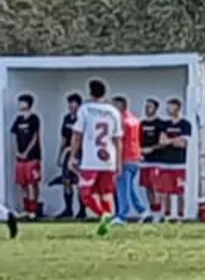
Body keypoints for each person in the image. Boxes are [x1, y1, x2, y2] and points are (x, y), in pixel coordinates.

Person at [71, 78, 123, 236]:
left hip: (91, 160)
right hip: (109, 159)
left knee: (86, 192)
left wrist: (72, 156)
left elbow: (77, 135)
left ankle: (103, 215)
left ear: (90, 92)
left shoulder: (85, 109)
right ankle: (106, 224)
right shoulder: (114, 111)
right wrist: (119, 162)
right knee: (106, 193)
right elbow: (118, 139)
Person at [112, 95, 146, 224]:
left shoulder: (122, 122)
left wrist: (117, 161)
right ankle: (142, 210)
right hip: (135, 157)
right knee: (131, 187)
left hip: (125, 157)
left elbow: (119, 141)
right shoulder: (135, 120)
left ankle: (123, 215)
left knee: (123, 189)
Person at [156, 98, 192, 220]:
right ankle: (167, 215)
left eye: (171, 106)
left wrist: (169, 141)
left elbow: (183, 144)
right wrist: (175, 140)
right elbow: (162, 142)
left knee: (180, 191)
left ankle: (180, 215)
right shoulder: (165, 124)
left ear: (177, 107)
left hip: (179, 164)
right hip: (165, 163)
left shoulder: (185, 124)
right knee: (165, 191)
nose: (168, 109)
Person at [9, 93, 42, 219]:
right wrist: (17, 151)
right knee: (22, 184)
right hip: (20, 158)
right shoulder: (18, 119)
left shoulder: (34, 118)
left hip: (32, 157)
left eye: (22, 102)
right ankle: (26, 208)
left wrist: (26, 152)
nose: (20, 105)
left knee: (31, 183)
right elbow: (14, 135)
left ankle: (33, 210)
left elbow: (35, 137)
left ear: (28, 104)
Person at [56, 92, 86, 220]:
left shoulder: (82, 119)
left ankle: (82, 210)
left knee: (79, 182)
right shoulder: (67, 119)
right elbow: (64, 138)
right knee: (66, 181)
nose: (72, 107)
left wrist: (76, 149)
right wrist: (60, 154)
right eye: (70, 105)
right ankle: (68, 209)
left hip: (80, 153)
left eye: (74, 105)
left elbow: (83, 138)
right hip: (68, 152)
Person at [139, 97, 166, 223]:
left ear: (155, 108)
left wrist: (152, 149)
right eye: (146, 106)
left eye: (149, 106)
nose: (147, 109)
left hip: (157, 160)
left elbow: (163, 142)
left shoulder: (160, 124)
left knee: (156, 187)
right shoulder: (142, 124)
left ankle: (158, 213)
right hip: (144, 161)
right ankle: (151, 211)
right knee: (147, 186)